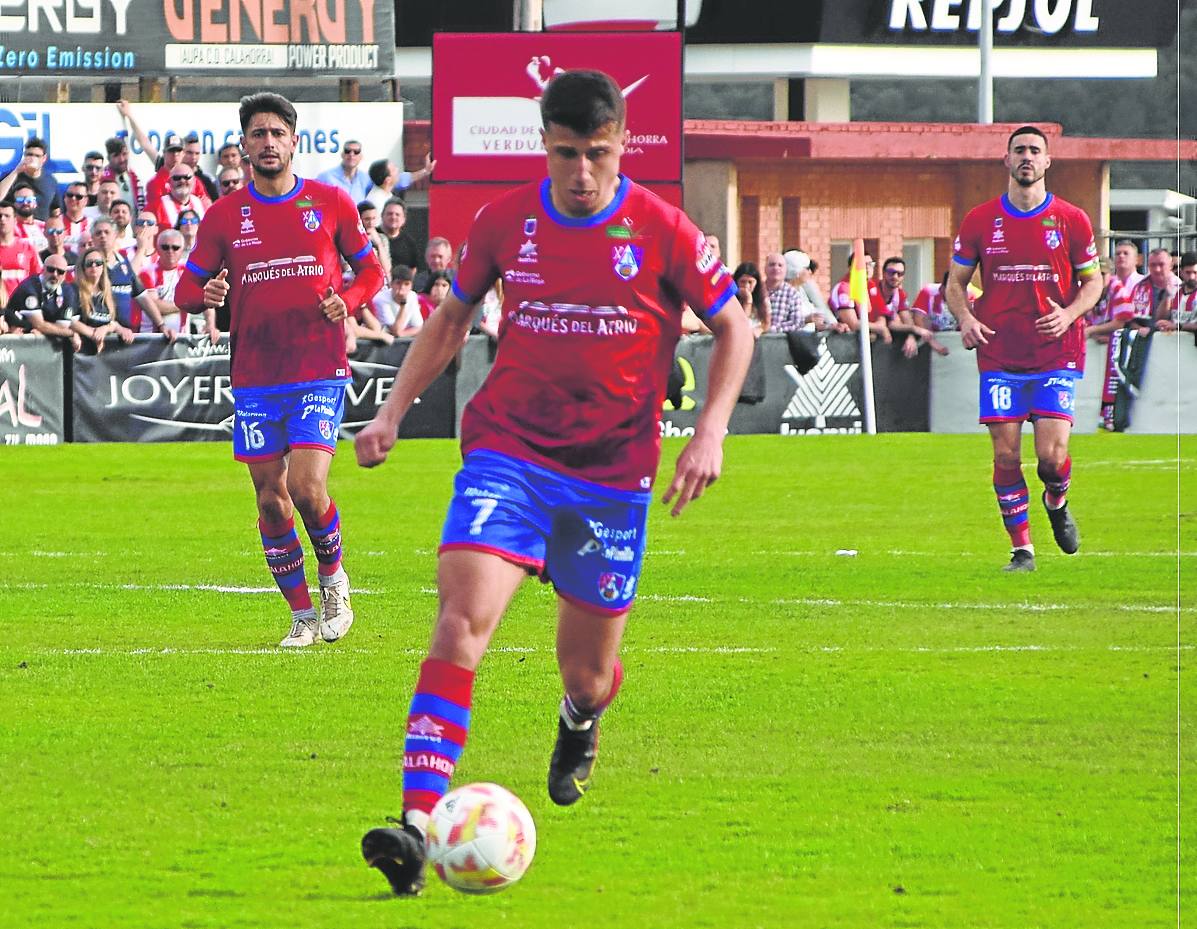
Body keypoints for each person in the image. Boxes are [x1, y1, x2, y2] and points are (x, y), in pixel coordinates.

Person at [352, 68, 752, 897]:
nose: (580, 172)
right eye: (565, 153)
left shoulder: (662, 227)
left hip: (612, 477)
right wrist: (391, 411)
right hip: (510, 455)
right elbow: (452, 317)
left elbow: (732, 324)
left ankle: (580, 721)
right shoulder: (505, 220)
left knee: (587, 674)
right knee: (462, 614)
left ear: (622, 145)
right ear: (543, 143)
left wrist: (708, 431)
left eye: (596, 154)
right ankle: (416, 824)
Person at [175, 92, 385, 649]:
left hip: (317, 367)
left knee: (307, 486)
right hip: (255, 376)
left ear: (294, 141)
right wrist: (208, 292)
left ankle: (335, 582)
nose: (268, 143)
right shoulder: (224, 215)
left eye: (277, 133)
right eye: (257, 134)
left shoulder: (331, 202)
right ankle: (300, 616)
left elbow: (371, 272)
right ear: (244, 145)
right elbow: (184, 289)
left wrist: (349, 296)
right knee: (271, 498)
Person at [945, 125, 1102, 572]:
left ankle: (1056, 499)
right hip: (999, 353)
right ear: (1007, 160)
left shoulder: (1072, 219)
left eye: (1035, 150)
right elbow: (954, 283)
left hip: (1056, 351)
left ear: (1048, 161)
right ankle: (1022, 549)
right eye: (1019, 151)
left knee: (1051, 458)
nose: (1027, 157)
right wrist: (966, 318)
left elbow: (1094, 283)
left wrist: (1070, 314)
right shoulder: (980, 219)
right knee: (1005, 454)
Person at [88, 218, 172, 336]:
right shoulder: (88, 265)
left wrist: (161, 325)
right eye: (98, 233)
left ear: (115, 235)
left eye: (107, 232)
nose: (103, 236)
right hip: (98, 334)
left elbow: (143, 297)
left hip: (125, 335)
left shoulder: (124, 264)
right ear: (92, 238)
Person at [3, 253, 82, 351]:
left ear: (65, 275)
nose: (55, 274)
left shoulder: (68, 291)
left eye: (60, 272)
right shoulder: (30, 287)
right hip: (16, 343)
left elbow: (62, 326)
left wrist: (45, 330)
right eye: (51, 269)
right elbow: (39, 325)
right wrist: (70, 333)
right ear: (43, 269)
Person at [882, 257, 949, 358]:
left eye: (900, 274)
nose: (895, 277)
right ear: (883, 273)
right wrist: (916, 330)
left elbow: (907, 319)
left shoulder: (900, 294)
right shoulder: (873, 290)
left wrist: (911, 336)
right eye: (891, 272)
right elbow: (889, 323)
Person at [71, 246, 134, 353]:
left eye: (98, 263)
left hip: (104, 356)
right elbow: (70, 321)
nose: (94, 266)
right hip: (80, 353)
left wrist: (105, 329)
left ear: (103, 267)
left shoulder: (109, 294)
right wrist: (94, 334)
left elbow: (113, 323)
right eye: (89, 263)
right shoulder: (74, 291)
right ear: (83, 268)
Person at [830, 254, 892, 343]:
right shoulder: (844, 288)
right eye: (862, 265)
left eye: (870, 264)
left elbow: (881, 313)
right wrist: (879, 329)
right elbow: (852, 324)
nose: (867, 268)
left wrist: (878, 328)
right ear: (851, 268)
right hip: (844, 343)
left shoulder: (871, 285)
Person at [0, 137, 61, 220]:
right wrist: (16, 171)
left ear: (44, 158)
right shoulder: (10, 176)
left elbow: (56, 209)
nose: (33, 158)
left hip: (40, 228)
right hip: (16, 229)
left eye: (37, 156)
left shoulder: (50, 181)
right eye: (29, 154)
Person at [0, 201, 43, 296]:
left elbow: (37, 276)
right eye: (0, 216)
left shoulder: (27, 246)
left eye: (7, 216)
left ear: (15, 220)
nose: (2, 219)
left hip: (22, 303)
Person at [365, 155, 435, 211]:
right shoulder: (377, 201)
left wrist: (426, 171)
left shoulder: (383, 192)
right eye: (394, 169)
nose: (398, 170)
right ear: (388, 180)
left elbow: (407, 178)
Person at [763, 251, 809, 333]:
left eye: (780, 265)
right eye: (772, 265)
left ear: (785, 270)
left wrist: (770, 330)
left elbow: (796, 322)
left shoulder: (792, 293)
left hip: (780, 344)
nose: (776, 268)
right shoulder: (756, 290)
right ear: (765, 268)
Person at [372, 264, 423, 337]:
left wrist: (402, 334)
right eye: (398, 283)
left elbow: (418, 327)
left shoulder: (412, 296)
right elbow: (395, 330)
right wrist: (403, 304)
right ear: (392, 284)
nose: (402, 287)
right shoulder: (380, 299)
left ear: (411, 286)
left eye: (406, 284)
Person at [100, 135, 145, 212]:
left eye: (124, 154)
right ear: (108, 158)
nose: (121, 159)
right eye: (116, 155)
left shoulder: (134, 176)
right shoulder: (102, 180)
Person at [1158, 251, 1197, 333]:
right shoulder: (1174, 290)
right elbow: (1160, 318)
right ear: (1181, 272)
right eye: (1188, 272)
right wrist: (1167, 295)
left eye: (1195, 272)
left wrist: (1177, 326)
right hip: (1174, 341)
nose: (1192, 277)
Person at [380, 198, 422, 271]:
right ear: (382, 216)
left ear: (404, 219)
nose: (393, 217)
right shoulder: (372, 238)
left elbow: (413, 269)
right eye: (389, 214)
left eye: (397, 214)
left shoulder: (409, 243)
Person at [731, 261, 771, 336]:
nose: (746, 286)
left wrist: (760, 329)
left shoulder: (763, 299)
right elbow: (742, 322)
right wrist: (748, 300)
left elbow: (767, 323)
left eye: (750, 282)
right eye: (742, 282)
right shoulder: (731, 299)